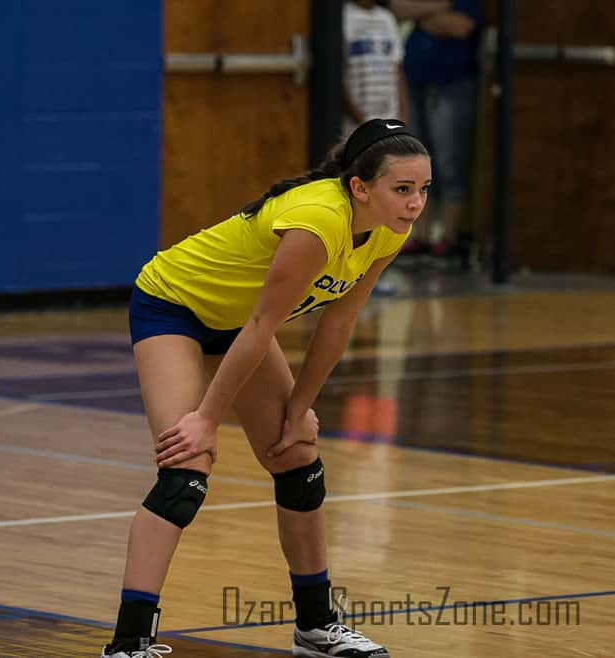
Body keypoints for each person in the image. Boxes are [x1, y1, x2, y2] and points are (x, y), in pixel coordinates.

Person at [100, 118, 432, 658]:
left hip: (237, 324)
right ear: (359, 187)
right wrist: (206, 418)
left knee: (297, 455)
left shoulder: (390, 229)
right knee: (186, 469)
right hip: (174, 307)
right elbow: (260, 326)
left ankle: (317, 627)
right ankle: (129, 641)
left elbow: (338, 323)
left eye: (423, 190)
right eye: (403, 189)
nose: (415, 203)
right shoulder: (317, 222)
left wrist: (300, 408)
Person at [388, 0, 482, 263]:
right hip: (415, 80)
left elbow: (459, 27)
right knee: (417, 162)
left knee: (449, 162)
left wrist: (421, 15)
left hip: (451, 84)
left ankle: (447, 238)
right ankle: (421, 235)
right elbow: (397, 9)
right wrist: (440, 7)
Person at [342, 1, 409, 137]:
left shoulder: (387, 18)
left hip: (390, 121)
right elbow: (338, 76)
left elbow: (397, 68)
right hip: (355, 124)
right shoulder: (343, 17)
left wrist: (402, 117)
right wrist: (361, 121)